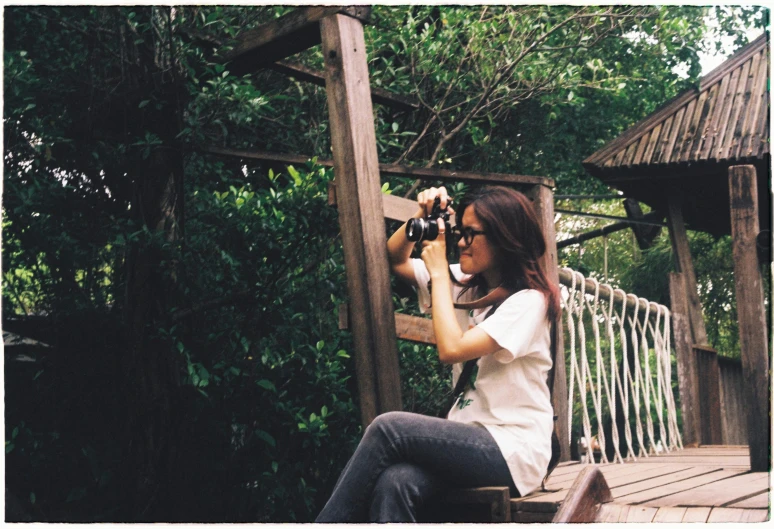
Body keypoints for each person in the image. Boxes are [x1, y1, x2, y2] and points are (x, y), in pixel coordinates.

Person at [316, 185, 560, 523]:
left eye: (471, 233)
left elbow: (452, 349)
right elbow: (396, 258)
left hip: (514, 449)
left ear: (506, 238)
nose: (460, 242)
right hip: (468, 441)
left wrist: (439, 276)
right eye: (460, 231)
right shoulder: (468, 281)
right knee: (395, 482)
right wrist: (422, 216)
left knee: (390, 428)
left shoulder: (529, 301)